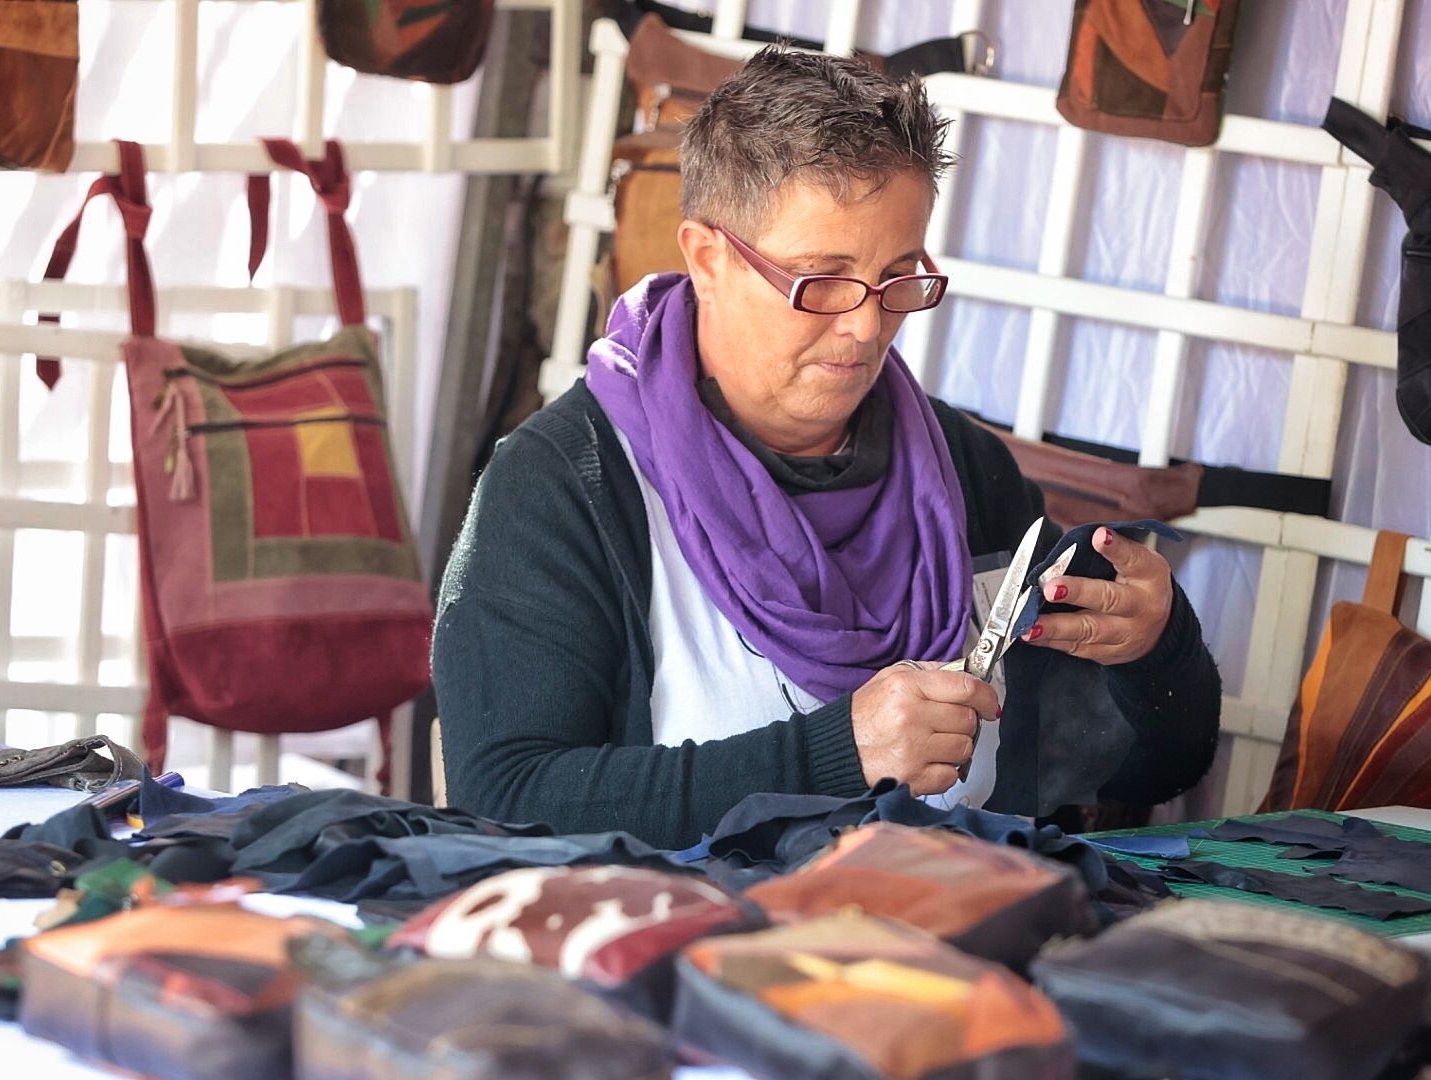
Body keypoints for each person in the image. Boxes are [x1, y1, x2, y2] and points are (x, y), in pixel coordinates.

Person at [433, 46, 1220, 849]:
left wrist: (1158, 648)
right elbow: (505, 799)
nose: (866, 325)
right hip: (676, 961)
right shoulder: (569, 486)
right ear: (708, 259)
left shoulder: (959, 470)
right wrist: (836, 755)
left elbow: (1148, 771)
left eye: (899, 278)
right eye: (821, 280)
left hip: (944, 949)